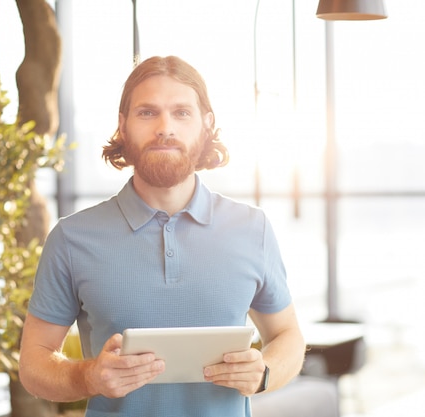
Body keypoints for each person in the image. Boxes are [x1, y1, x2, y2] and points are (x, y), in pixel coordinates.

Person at [18, 55, 305, 417]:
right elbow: (33, 365)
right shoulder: (71, 238)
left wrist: (264, 373)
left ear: (206, 124)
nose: (165, 127)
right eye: (147, 112)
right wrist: (89, 376)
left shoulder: (253, 228)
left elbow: (289, 336)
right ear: (123, 125)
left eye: (182, 113)